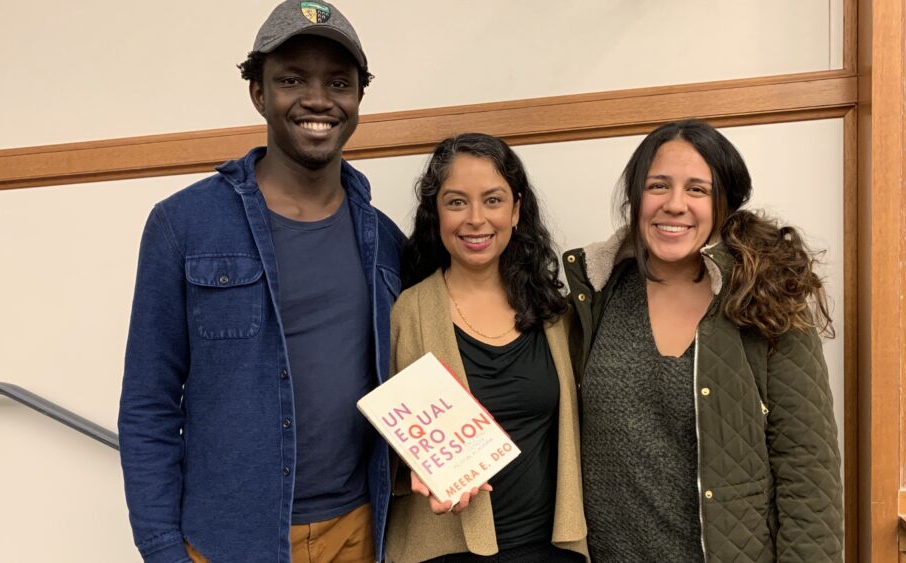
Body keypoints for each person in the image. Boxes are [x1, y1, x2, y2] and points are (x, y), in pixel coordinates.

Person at [118, 2, 404, 562]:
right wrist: (162, 549)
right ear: (258, 93)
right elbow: (149, 405)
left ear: (358, 100)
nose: (318, 99)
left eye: (338, 83)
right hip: (229, 542)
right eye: (292, 79)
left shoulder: (387, 242)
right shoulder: (184, 225)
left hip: (359, 532)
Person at [564, 120, 842, 562]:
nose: (675, 205)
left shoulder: (765, 299)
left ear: (723, 203)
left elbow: (808, 471)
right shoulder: (595, 296)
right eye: (658, 186)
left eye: (697, 190)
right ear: (636, 198)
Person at [386, 133, 588, 562]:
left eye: (493, 200)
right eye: (457, 202)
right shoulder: (407, 312)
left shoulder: (554, 314)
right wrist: (413, 473)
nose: (475, 219)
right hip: (442, 547)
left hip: (548, 548)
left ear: (516, 210)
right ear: (436, 213)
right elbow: (382, 443)